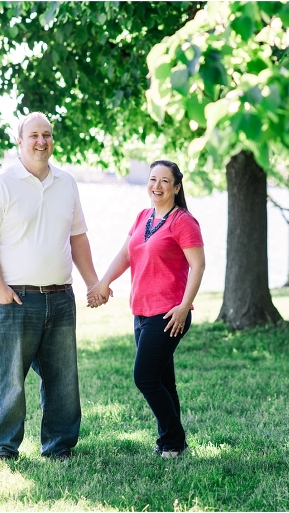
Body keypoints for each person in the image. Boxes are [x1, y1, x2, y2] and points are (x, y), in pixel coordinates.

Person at [0, 112, 107, 463]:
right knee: (10, 380)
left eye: (46, 134)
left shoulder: (66, 182)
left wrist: (92, 282)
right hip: (16, 298)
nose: (41, 141)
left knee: (63, 380)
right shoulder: (2, 183)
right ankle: (3, 450)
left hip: (61, 297)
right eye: (33, 135)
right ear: (20, 141)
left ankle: (59, 446)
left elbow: (78, 237)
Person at [87, 159, 205, 458]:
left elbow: (198, 265)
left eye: (165, 180)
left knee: (145, 378)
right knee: (164, 380)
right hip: (141, 311)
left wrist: (184, 307)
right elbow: (126, 255)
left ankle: (173, 439)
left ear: (176, 187)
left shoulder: (184, 222)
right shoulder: (143, 216)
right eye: (153, 179)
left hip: (168, 314)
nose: (157, 185)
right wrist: (103, 283)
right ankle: (171, 444)